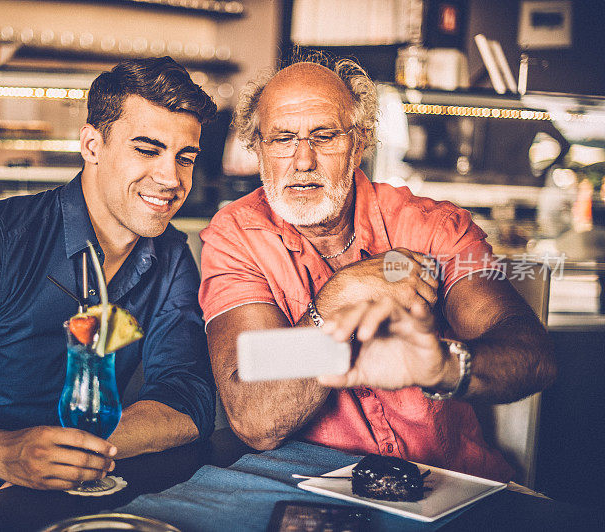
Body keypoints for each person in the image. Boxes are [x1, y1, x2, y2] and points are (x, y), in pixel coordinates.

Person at [0, 56, 217, 514]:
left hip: (85, 496)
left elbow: (187, 395)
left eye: (185, 158)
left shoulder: (170, 254)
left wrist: (77, 454)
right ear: (92, 145)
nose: (172, 179)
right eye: (147, 150)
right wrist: (4, 454)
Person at [199, 57, 556, 481]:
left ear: (358, 144)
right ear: (256, 147)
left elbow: (535, 358)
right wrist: (336, 300)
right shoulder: (236, 237)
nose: (302, 160)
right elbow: (256, 418)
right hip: (311, 492)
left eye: (323, 136)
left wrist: (444, 367)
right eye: (281, 139)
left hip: (451, 483)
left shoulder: (433, 227)